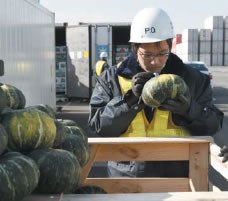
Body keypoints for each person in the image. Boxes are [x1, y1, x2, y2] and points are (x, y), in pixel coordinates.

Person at [88, 7, 225, 177]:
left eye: (162, 53)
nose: (155, 61)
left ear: (170, 45)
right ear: (134, 48)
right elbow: (99, 126)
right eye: (147, 55)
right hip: (125, 180)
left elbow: (213, 125)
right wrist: (129, 100)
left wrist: (189, 110)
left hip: (178, 178)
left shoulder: (194, 79)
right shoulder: (112, 78)